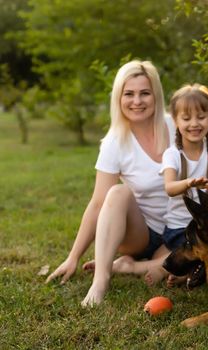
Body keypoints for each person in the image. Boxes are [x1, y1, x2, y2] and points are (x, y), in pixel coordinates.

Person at [45, 60, 175, 307]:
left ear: (156, 95)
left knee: (192, 259)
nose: (137, 101)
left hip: (178, 232)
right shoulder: (115, 141)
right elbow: (97, 204)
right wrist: (73, 257)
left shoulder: (175, 125)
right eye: (129, 94)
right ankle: (101, 279)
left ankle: (129, 267)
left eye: (144, 93)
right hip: (140, 233)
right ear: (119, 97)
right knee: (117, 192)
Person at [159, 83, 208, 286]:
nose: (194, 124)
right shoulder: (173, 154)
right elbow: (169, 187)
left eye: (201, 117)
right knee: (198, 256)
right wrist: (188, 183)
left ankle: (181, 269)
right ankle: (143, 267)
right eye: (186, 118)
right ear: (175, 121)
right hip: (180, 229)